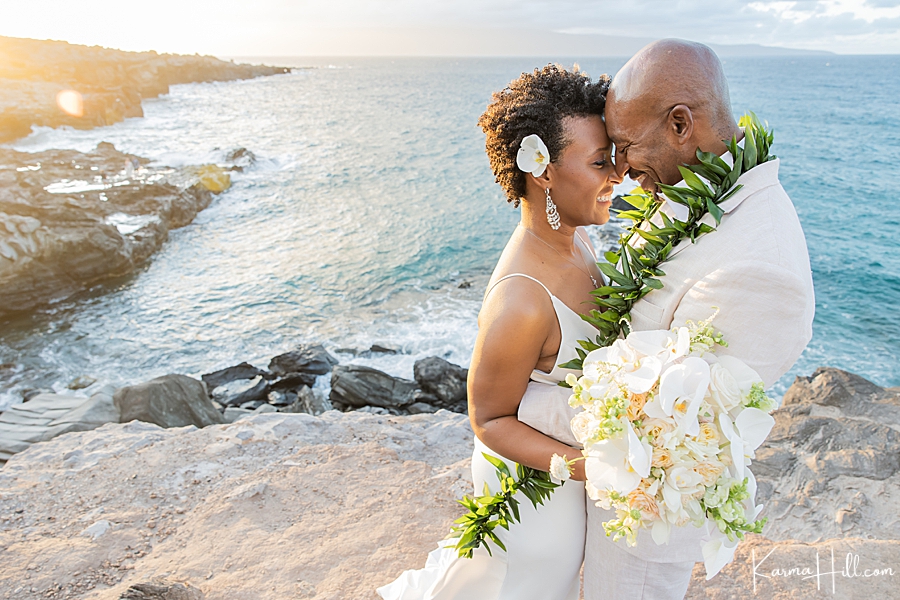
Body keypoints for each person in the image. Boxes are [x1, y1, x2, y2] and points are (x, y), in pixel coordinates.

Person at [517, 39, 816, 600]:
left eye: (626, 147)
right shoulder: (700, 186)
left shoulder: (759, 269)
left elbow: (653, 423)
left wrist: (510, 403)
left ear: (681, 123)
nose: (623, 171)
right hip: (604, 489)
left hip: (644, 533)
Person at [377, 64, 621, 600]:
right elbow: (487, 418)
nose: (618, 175)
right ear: (543, 171)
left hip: (561, 476)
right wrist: (596, 467)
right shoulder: (523, 301)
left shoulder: (576, 242)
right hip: (534, 497)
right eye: (601, 161)